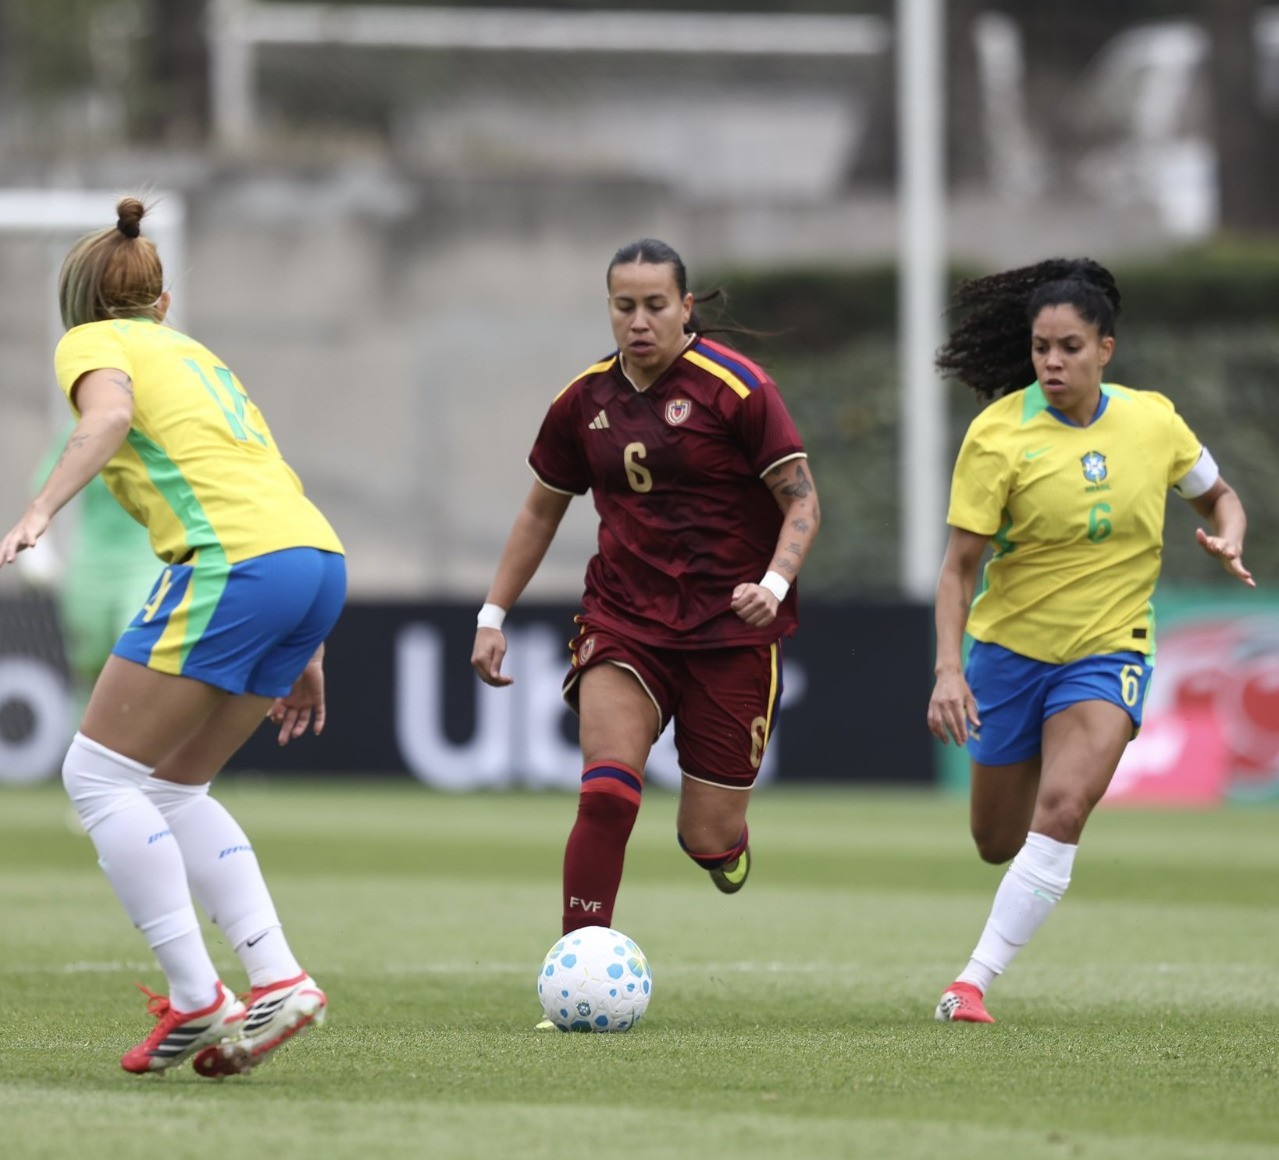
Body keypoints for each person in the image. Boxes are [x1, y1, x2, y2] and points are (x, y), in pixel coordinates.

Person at [0, 197, 347, 1076]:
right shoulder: (197, 356)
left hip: (234, 564)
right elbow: (266, 474)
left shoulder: (90, 342)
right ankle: (278, 977)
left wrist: (39, 510)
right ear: (162, 301)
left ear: (77, 304)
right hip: (311, 558)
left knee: (96, 776)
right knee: (171, 787)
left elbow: (106, 419)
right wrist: (306, 640)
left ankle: (197, 995)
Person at [926, 257, 1253, 1024]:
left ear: (1104, 348)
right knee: (994, 841)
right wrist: (948, 670)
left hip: (1110, 649)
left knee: (1066, 805)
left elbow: (1219, 496)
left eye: (1069, 347)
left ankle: (970, 983)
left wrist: (1228, 535)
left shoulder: (1152, 420)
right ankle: (1023, 813)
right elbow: (957, 570)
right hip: (1008, 655)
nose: (1052, 362)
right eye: (1040, 347)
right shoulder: (997, 435)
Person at [471, 238, 820, 950]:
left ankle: (724, 849)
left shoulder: (738, 388)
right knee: (605, 792)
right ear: (608, 308)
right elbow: (539, 512)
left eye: (655, 305)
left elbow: (803, 502)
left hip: (731, 631)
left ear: (685, 307)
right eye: (624, 305)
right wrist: (491, 614)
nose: (639, 321)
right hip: (624, 620)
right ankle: (577, 960)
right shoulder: (582, 401)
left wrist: (774, 582)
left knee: (707, 836)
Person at [22, 423, 159, 722]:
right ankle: (83, 745)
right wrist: (39, 544)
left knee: (139, 657)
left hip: (148, 561)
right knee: (90, 667)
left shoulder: (162, 423)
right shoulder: (84, 426)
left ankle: (148, 747)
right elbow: (46, 485)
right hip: (90, 566)